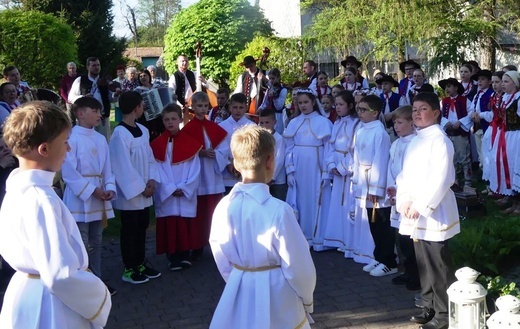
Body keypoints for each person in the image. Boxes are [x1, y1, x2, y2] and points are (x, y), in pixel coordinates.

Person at [0, 101, 111, 328]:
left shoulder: (16, 188)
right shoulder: (41, 199)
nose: (68, 149)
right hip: (52, 303)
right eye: (65, 142)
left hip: (26, 293)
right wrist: (99, 294)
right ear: (44, 149)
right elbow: (61, 275)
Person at [209, 125, 316, 329]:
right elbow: (298, 265)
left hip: (238, 289)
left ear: (236, 163)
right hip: (278, 294)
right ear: (270, 160)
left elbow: (220, 253)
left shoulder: (224, 206)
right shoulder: (279, 210)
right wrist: (306, 298)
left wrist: (237, 280)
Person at [396, 92, 460, 329]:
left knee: (438, 264)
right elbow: (404, 175)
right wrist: (403, 200)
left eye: (423, 109)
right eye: (414, 109)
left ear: (435, 112)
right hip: (414, 211)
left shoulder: (440, 141)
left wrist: (421, 206)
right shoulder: (415, 140)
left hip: (434, 213)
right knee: (422, 261)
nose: (417, 113)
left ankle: (444, 314)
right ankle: (428, 305)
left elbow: (442, 179)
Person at [61, 96, 117, 295]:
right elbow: (68, 171)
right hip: (80, 198)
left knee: (97, 241)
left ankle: (98, 282)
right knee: (81, 243)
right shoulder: (72, 138)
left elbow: (108, 169)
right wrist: (93, 190)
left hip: (99, 196)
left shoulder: (100, 138)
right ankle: (84, 286)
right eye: (94, 111)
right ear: (80, 113)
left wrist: (109, 187)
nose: (99, 115)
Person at [109, 90, 161, 284]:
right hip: (131, 193)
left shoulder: (143, 130)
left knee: (142, 227)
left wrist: (152, 180)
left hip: (145, 189)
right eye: (141, 104)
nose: (144, 108)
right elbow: (122, 166)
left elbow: (149, 158)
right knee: (130, 230)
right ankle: (129, 268)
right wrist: (140, 188)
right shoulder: (119, 134)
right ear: (135, 108)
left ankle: (140, 263)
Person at [150, 103, 201, 271]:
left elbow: (195, 170)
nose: (170, 122)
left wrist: (185, 188)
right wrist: (171, 189)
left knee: (184, 221)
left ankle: (185, 254)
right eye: (166, 119)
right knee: (170, 223)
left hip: (184, 190)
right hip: (168, 193)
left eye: (173, 119)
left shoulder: (190, 144)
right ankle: (172, 256)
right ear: (162, 121)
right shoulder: (156, 145)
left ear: (180, 119)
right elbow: (156, 171)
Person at [284, 88, 332, 250]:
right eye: (300, 103)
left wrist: (326, 172)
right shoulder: (294, 122)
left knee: (316, 199)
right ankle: (300, 236)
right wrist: (289, 170)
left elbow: (328, 149)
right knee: (299, 200)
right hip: (298, 167)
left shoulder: (323, 122)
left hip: (316, 166)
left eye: (306, 102)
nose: (303, 105)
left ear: (313, 102)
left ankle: (317, 237)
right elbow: (288, 148)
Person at [182, 91, 228, 261]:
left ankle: (218, 243)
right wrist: (199, 153)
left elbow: (225, 148)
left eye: (205, 106)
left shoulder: (214, 127)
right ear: (192, 107)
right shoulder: (187, 129)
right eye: (199, 106)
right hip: (198, 175)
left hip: (213, 175)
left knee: (214, 210)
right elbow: (184, 151)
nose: (202, 109)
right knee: (199, 211)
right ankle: (197, 244)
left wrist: (216, 154)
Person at [352, 95, 395, 275]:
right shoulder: (361, 130)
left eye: (364, 110)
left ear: (375, 113)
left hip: (375, 183)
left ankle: (389, 261)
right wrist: (356, 181)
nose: (360, 113)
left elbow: (381, 160)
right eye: (358, 109)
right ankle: (378, 258)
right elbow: (356, 157)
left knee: (382, 223)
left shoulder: (380, 133)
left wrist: (376, 188)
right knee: (372, 223)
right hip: (364, 180)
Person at [385, 105, 420, 291]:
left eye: (400, 123)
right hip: (396, 195)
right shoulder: (396, 143)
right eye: (394, 123)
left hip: (409, 196)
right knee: (401, 236)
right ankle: (408, 270)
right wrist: (391, 189)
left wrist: (400, 190)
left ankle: (417, 274)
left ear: (411, 123)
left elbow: (411, 172)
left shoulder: (415, 143)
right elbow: (391, 167)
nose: (396, 127)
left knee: (411, 237)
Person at [323, 90, 360, 257]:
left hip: (348, 169)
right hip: (337, 168)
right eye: (335, 105)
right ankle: (339, 238)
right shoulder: (336, 124)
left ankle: (350, 242)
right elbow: (330, 146)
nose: (337, 108)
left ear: (350, 105)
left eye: (341, 104)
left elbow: (355, 150)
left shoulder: (356, 124)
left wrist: (343, 167)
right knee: (338, 203)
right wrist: (331, 165)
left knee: (348, 202)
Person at [69, 57, 119, 140]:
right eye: (94, 65)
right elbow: (71, 97)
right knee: (86, 142)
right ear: (88, 67)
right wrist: (83, 97)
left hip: (102, 117)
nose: (97, 67)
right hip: (86, 118)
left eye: (98, 65)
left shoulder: (105, 81)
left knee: (104, 141)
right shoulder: (80, 80)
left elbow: (111, 99)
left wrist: (116, 95)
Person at [491, 71, 520, 213]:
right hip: (506, 135)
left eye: (506, 81)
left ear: (515, 83)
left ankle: (518, 204)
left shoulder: (518, 98)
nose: (502, 84)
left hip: (516, 136)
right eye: (502, 81)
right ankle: (510, 198)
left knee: (515, 166)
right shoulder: (505, 98)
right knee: (506, 164)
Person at [439, 78, 474, 189]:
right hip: (449, 133)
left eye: (449, 86)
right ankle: (454, 181)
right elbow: (440, 115)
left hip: (460, 133)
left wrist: (460, 122)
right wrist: (446, 123)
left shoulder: (465, 100)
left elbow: (471, 113)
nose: (446, 89)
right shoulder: (444, 101)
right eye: (445, 87)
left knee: (464, 158)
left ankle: (468, 181)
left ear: (456, 87)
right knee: (451, 158)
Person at [219, 93, 255, 194]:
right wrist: (228, 164)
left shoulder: (252, 126)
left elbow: (253, 148)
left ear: (246, 108)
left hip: (246, 171)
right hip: (227, 172)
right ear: (230, 107)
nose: (238, 110)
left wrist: (244, 165)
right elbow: (220, 149)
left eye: (241, 107)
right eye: (235, 107)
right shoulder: (222, 126)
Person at [481, 71, 504, 193]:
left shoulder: (504, 97)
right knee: (488, 156)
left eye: (497, 82)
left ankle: (499, 187)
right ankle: (492, 184)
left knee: (497, 157)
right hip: (493, 128)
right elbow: (493, 114)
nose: (494, 85)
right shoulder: (494, 96)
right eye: (493, 82)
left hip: (501, 129)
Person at [258, 108, 287, 201]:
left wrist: (272, 177)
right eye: (261, 123)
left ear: (274, 122)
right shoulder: (259, 138)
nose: (264, 126)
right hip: (263, 178)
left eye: (267, 122)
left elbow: (279, 160)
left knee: (278, 201)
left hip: (277, 180)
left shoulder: (279, 139)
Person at [470, 69, 494, 169]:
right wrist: (473, 115)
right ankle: (482, 170)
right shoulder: (477, 95)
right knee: (480, 150)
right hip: (477, 126)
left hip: (487, 127)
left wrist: (479, 115)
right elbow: (472, 109)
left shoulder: (491, 94)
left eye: (483, 79)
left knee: (487, 151)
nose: (480, 81)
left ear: (489, 81)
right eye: (479, 79)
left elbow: (492, 113)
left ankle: (488, 173)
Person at [377, 74, 407, 141]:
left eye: (386, 84)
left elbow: (403, 111)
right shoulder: (378, 97)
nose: (383, 86)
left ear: (392, 85)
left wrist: (393, 113)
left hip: (394, 128)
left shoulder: (399, 97)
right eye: (382, 84)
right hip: (381, 127)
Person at [258, 68, 287, 134]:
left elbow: (279, 107)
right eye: (270, 78)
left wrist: (275, 97)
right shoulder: (269, 89)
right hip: (268, 115)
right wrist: (260, 108)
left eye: (273, 78)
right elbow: (265, 102)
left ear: (278, 78)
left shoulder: (283, 90)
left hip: (277, 116)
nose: (271, 81)